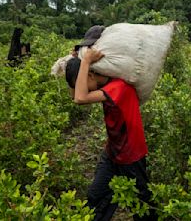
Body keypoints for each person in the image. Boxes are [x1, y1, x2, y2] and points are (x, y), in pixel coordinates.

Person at [65, 27, 156, 221]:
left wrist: (86, 61)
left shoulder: (118, 87)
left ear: (90, 74)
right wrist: (76, 62)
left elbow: (80, 97)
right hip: (113, 154)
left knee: (142, 207)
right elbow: (76, 94)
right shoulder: (107, 83)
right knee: (95, 199)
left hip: (131, 157)